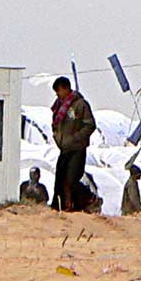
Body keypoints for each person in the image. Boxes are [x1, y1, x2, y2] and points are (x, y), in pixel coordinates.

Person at [50, 76, 97, 212]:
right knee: (60, 179)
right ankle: (61, 206)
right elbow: (55, 125)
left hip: (77, 148)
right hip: (64, 148)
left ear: (66, 88)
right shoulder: (58, 107)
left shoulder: (80, 105)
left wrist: (76, 138)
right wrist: (58, 138)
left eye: (59, 91)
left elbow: (90, 125)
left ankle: (86, 199)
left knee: (72, 179)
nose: (58, 94)